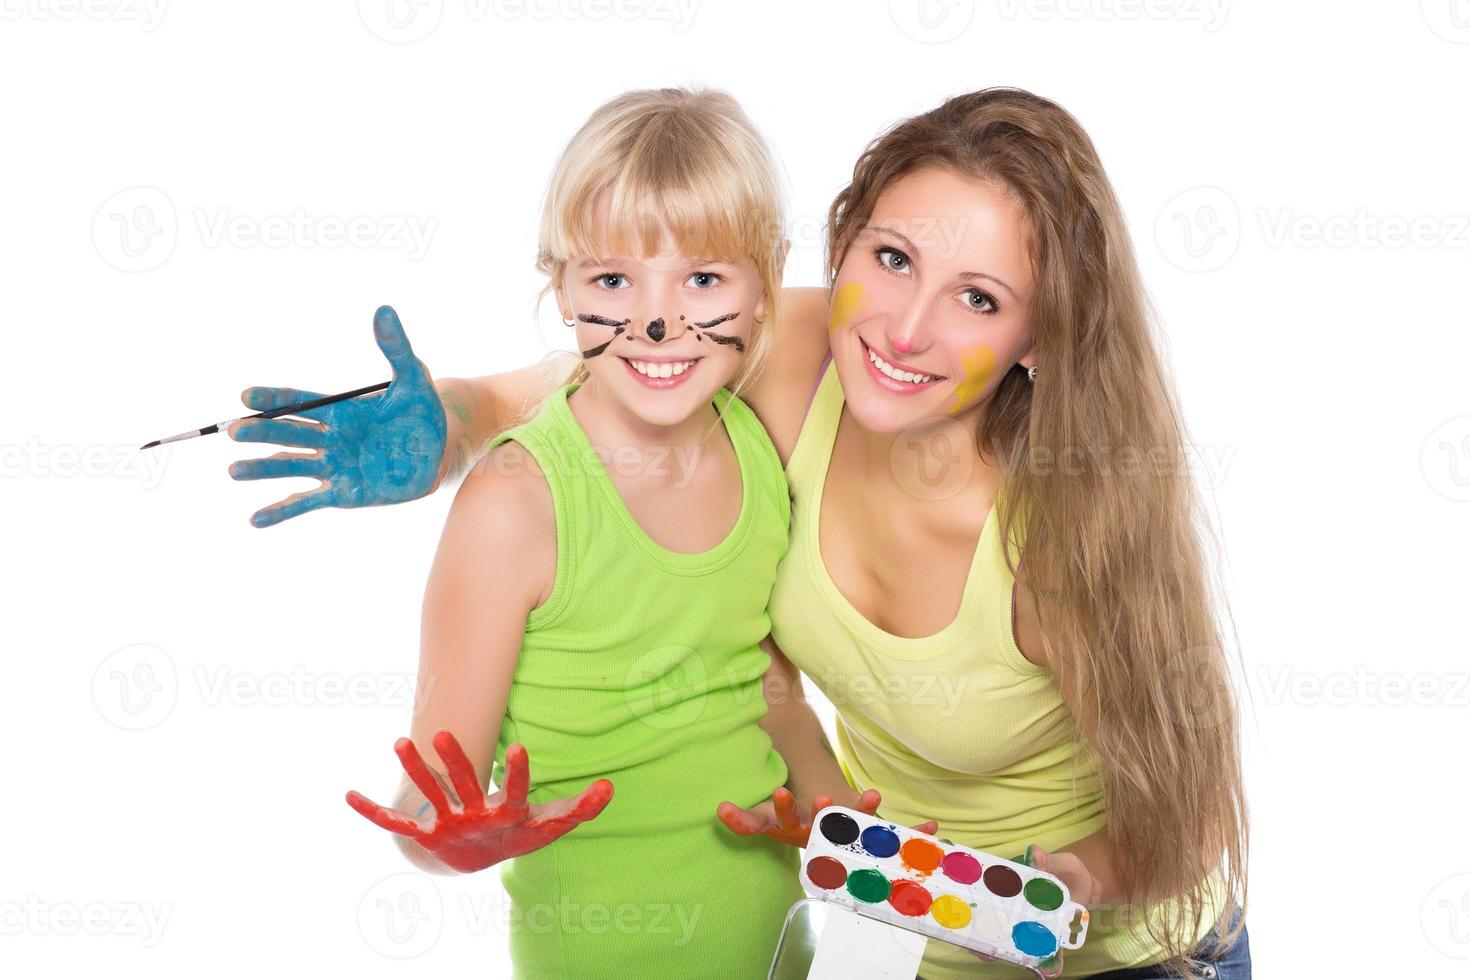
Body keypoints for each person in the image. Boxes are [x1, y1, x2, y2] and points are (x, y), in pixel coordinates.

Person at [232, 87, 1250, 979]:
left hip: (1120, 949)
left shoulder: (1062, 538)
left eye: (978, 299)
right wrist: (446, 420)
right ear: (837, 247)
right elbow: (602, 369)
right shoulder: (794, 352)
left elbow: (1195, 821)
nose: (904, 329)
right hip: (885, 936)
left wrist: (1060, 885)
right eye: (890, 259)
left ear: (1041, 337)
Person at [335, 88, 865, 979]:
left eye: (703, 279)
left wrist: (852, 829)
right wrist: (448, 842)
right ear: (562, 284)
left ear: (765, 282)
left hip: (782, 957)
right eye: (615, 280)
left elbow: (772, 696)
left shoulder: (757, 452)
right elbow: (433, 795)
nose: (660, 322)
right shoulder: (517, 501)